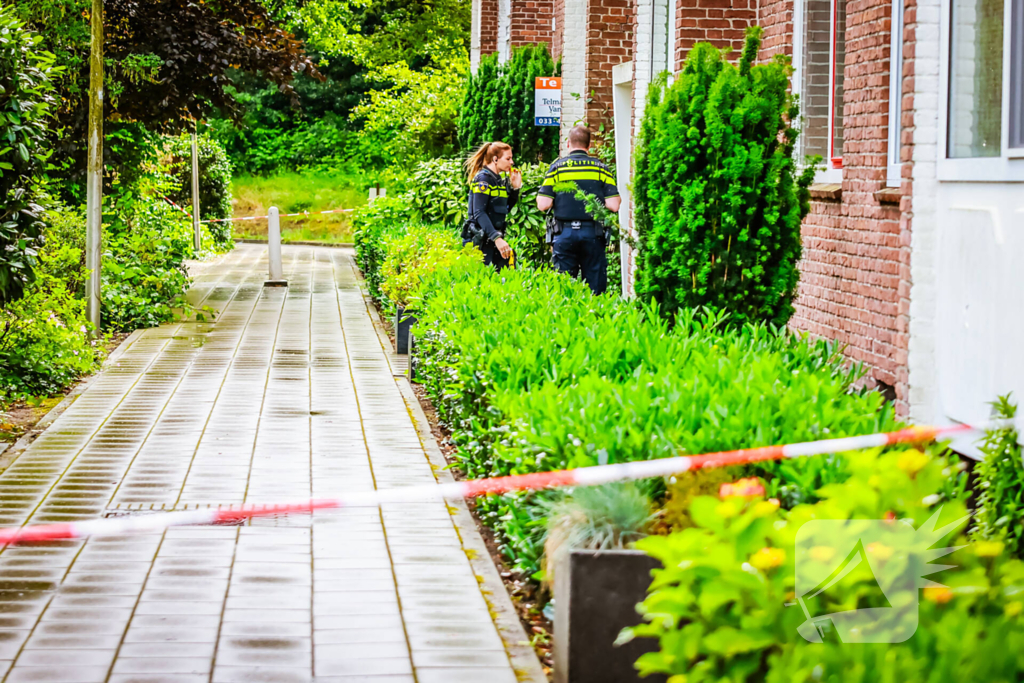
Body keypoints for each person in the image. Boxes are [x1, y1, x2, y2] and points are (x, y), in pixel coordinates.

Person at [536, 126, 621, 294]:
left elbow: (543, 204)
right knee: (595, 291)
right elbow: (614, 205)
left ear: (568, 144)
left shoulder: (557, 168)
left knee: (564, 289)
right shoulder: (601, 168)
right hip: (593, 234)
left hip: (564, 233)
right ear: (589, 146)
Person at [463, 142, 523, 270]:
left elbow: (504, 209)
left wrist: (515, 189)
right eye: (508, 158)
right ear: (495, 159)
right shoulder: (483, 180)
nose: (512, 162)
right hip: (480, 242)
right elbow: (479, 212)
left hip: (492, 240)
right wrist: (497, 238)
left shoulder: (498, 180)